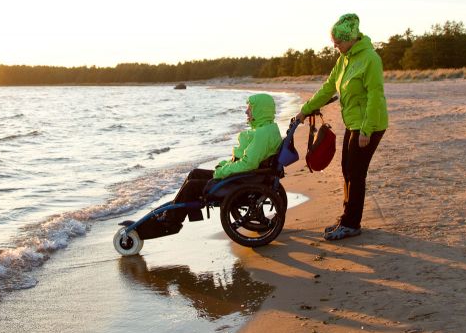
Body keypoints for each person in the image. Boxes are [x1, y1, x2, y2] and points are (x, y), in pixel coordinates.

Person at [297, 13, 388, 241]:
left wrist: (366, 130)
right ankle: (347, 217)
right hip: (353, 123)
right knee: (347, 170)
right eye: (333, 40)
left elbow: (375, 96)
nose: (334, 44)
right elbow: (328, 88)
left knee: (356, 173)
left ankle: (351, 224)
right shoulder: (344, 59)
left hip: (370, 124)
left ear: (351, 38)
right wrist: (306, 109)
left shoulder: (370, 59)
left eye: (338, 40)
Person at [163, 93, 282, 228]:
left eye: (250, 108)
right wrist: (225, 165)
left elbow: (248, 163)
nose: (246, 111)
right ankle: (173, 211)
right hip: (251, 176)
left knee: (191, 186)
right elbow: (249, 160)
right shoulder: (269, 129)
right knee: (195, 173)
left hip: (244, 181)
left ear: (260, 110)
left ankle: (170, 222)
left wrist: (222, 171)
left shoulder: (262, 134)